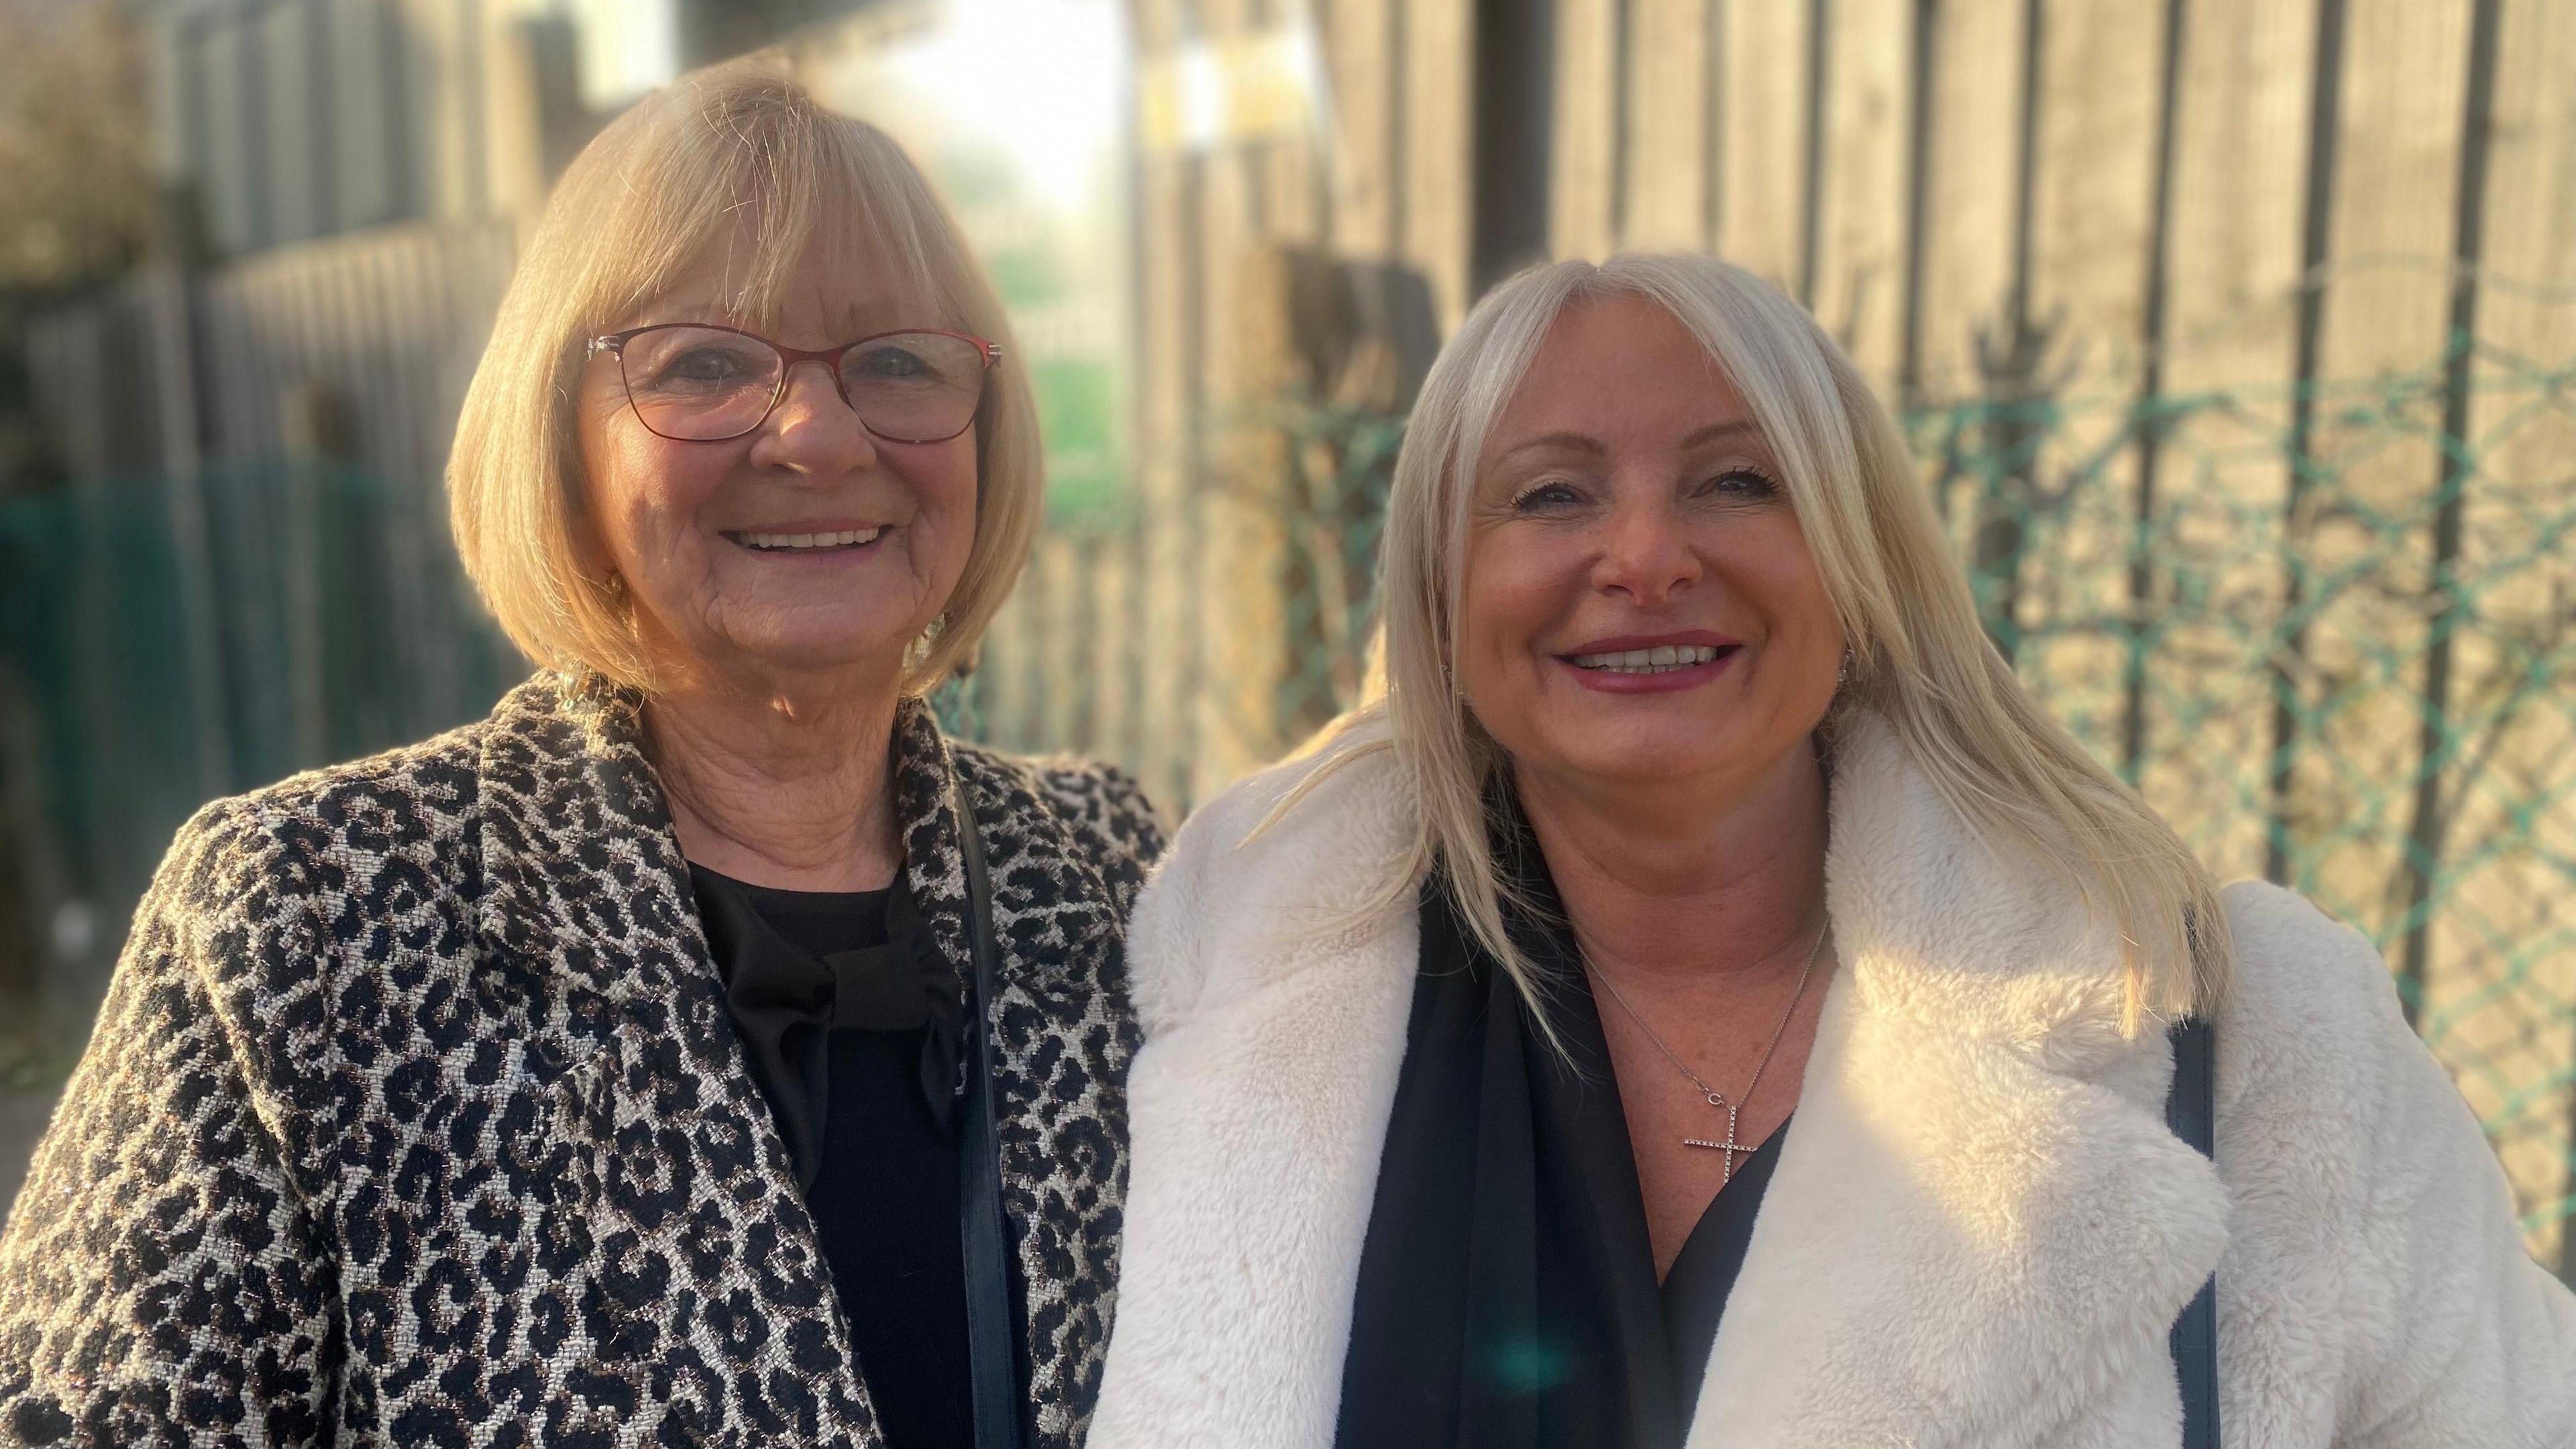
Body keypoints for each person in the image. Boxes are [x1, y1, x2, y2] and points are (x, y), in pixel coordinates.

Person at [1089, 254, 2576, 1448]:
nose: (1648, 556)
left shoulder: (2249, 1043)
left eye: (1740, 480)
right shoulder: (1226, 1002)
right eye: (1551, 493)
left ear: (1859, 566)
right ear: (1437, 597)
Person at [0, 61, 1160, 1448]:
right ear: (560, 432)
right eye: (707, 364)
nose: (816, 434)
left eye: (897, 360)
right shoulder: (307, 924)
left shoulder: (1111, 880)